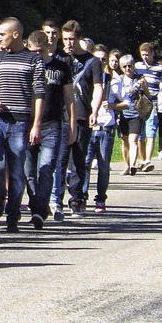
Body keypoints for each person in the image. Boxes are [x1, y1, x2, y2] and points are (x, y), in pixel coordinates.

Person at [0, 18, 46, 232]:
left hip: (20, 122)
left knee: (17, 171)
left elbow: (39, 93)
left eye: (2, 34)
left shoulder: (33, 60)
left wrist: (36, 124)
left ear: (16, 34)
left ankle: (13, 214)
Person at [52, 20, 103, 217]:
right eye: (64, 39)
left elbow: (98, 87)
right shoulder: (58, 58)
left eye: (72, 39)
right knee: (60, 160)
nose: (68, 43)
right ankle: (56, 199)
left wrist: (95, 111)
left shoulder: (92, 62)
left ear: (79, 38)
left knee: (79, 159)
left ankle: (77, 199)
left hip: (81, 115)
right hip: (60, 116)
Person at [25, 31, 74, 228]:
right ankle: (36, 203)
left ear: (48, 48)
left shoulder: (60, 67)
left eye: (41, 51)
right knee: (29, 172)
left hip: (52, 125)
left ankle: (39, 210)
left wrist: (72, 125)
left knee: (46, 169)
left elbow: (69, 98)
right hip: (26, 125)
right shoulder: (25, 67)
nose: (37, 55)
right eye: (33, 51)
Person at [84, 45, 125, 212]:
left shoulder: (113, 80)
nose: (100, 62)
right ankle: (81, 196)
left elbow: (127, 103)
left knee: (103, 165)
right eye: (97, 59)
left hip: (106, 128)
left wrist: (114, 105)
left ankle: (100, 199)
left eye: (103, 59)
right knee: (84, 164)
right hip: (89, 127)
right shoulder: (86, 79)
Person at [134, 43, 162, 171]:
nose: (145, 57)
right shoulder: (137, 67)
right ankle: (142, 158)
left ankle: (148, 160)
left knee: (151, 131)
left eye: (147, 54)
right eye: (143, 54)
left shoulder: (159, 68)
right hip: (139, 103)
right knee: (140, 134)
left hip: (152, 103)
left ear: (152, 54)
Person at [118, 55, 148, 175]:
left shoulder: (139, 79)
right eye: (124, 66)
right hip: (123, 114)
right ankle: (126, 165)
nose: (127, 69)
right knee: (125, 141)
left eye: (130, 66)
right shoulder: (119, 80)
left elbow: (148, 95)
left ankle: (133, 165)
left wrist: (144, 87)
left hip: (136, 113)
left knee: (134, 140)